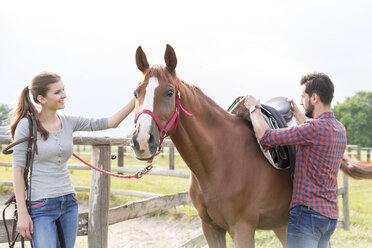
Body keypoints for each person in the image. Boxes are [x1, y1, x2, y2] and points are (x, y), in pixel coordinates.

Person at [10, 71, 135, 248]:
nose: (64, 95)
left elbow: (110, 122)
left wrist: (137, 98)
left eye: (63, 89)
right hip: (40, 206)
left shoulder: (69, 122)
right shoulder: (27, 125)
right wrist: (22, 213)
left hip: (68, 202)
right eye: (57, 92)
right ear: (42, 98)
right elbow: (17, 170)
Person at [244, 72, 347, 248]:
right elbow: (314, 131)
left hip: (307, 217)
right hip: (329, 217)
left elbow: (265, 136)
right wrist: (299, 115)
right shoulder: (339, 129)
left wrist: (255, 108)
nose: (301, 102)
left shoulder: (313, 130)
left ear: (314, 98)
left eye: (303, 97)